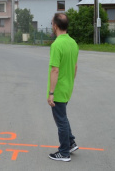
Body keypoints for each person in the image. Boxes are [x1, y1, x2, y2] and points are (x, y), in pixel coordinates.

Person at [47, 13, 79, 162]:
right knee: (63, 117)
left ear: (55, 26)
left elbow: (55, 70)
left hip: (59, 89)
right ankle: (71, 142)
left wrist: (51, 92)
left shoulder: (57, 44)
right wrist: (70, 82)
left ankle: (64, 152)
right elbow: (75, 66)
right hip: (68, 87)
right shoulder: (73, 42)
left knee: (60, 121)